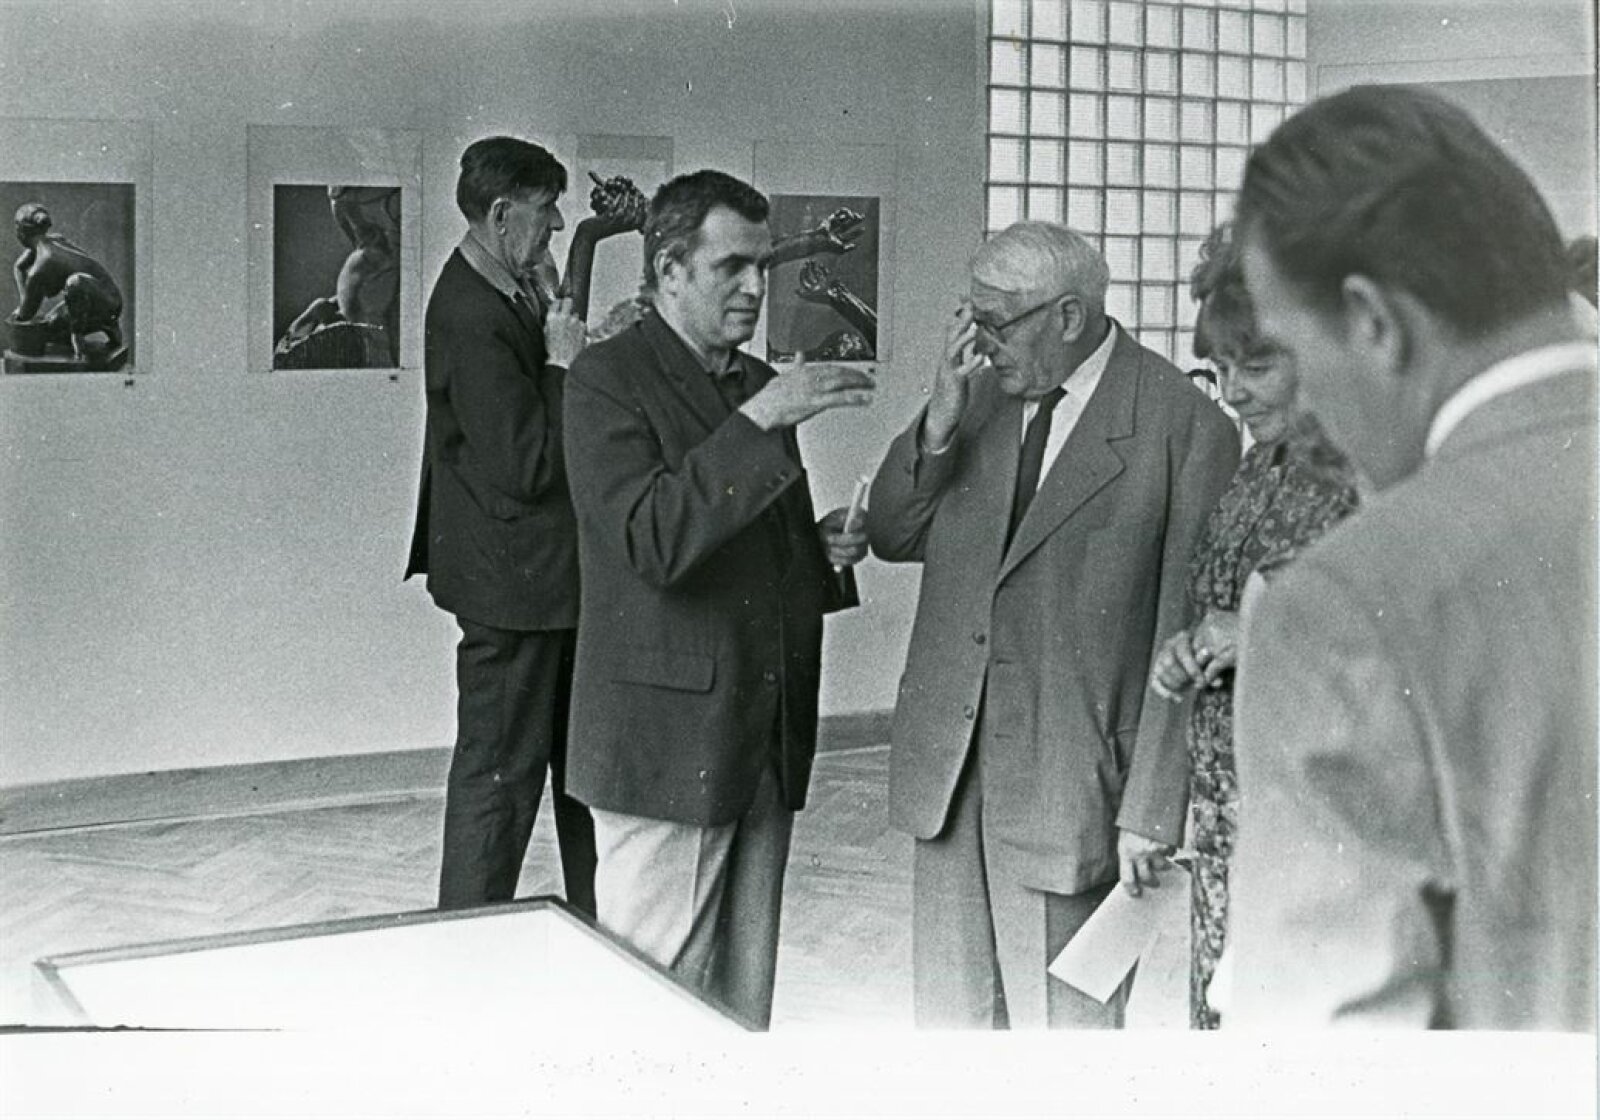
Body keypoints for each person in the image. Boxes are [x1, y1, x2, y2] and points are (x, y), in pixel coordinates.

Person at [1226, 84, 1596, 1029]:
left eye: (1288, 350)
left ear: (1374, 323)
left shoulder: (1345, 603)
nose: (1306, 404)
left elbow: (1331, 1047)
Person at [866, 221, 1239, 1029]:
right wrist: (936, 423)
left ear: (1068, 317)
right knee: (952, 1030)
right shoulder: (974, 400)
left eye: (997, 322)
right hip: (950, 779)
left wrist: (1152, 809)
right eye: (972, 318)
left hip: (1076, 785)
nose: (980, 343)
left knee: (1068, 1040)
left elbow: (1184, 632)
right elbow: (891, 535)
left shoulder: (1184, 427)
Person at [561, 170, 875, 1028]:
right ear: (668, 270)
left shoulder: (754, 383)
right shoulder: (604, 380)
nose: (754, 287)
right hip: (664, 748)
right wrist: (760, 421)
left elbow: (748, 548)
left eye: (763, 267)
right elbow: (651, 541)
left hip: (761, 735)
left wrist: (821, 550)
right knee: (652, 999)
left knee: (742, 1003)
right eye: (731, 266)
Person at [1146, 223, 1359, 1030]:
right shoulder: (1257, 463)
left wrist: (1258, 636)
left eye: (1257, 366)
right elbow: (1227, 608)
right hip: (1229, 818)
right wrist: (1188, 650)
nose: (1233, 391)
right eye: (1221, 367)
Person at [404, 136, 597, 916]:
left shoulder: (502, 289)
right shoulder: (470, 312)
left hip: (539, 584)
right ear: (500, 213)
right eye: (547, 210)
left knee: (574, 774)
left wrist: (567, 342)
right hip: (512, 591)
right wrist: (561, 364)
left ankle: (600, 937)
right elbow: (528, 464)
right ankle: (467, 944)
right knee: (498, 784)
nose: (557, 226)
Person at [10, 202, 124, 359]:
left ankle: (82, 337)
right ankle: (107, 325)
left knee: (75, 283)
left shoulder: (41, 266)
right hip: (107, 297)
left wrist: (22, 308)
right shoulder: (55, 240)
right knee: (50, 326)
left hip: (104, 303)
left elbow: (25, 314)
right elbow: (20, 267)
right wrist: (20, 274)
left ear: (21, 232)